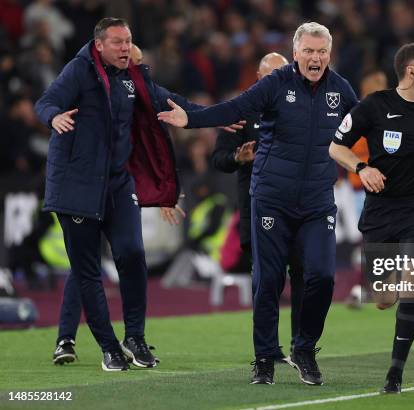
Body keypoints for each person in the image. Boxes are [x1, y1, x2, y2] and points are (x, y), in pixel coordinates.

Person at [158, 22, 358, 385]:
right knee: (268, 282)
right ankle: (264, 358)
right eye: (309, 51)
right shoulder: (276, 83)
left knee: (323, 277)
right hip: (271, 200)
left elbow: (366, 127)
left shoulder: (341, 89)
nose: (316, 58)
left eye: (322, 52)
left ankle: (304, 348)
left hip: (316, 201)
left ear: (330, 54)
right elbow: (233, 108)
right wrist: (191, 120)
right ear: (296, 53)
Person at [35, 18, 193, 372]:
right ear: (100, 45)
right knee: (88, 270)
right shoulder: (79, 70)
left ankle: (134, 337)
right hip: (77, 184)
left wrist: (208, 117)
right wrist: (54, 117)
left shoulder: (130, 77)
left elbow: (167, 100)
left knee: (133, 253)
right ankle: (108, 348)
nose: (125, 48)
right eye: (118, 42)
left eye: (129, 41)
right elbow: (46, 101)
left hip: (118, 182)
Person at [329, 43, 414, 393]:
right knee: (385, 298)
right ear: (411, 71)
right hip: (380, 212)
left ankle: (395, 373)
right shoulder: (374, 106)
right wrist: (361, 167)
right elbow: (335, 146)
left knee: (412, 284)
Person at [211, 52, 304, 360]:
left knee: (303, 275)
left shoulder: (304, 105)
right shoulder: (241, 111)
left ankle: (301, 346)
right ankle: (267, 350)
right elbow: (219, 159)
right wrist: (239, 157)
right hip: (259, 206)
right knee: (267, 281)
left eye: (283, 74)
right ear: (259, 79)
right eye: (269, 76)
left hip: (297, 205)